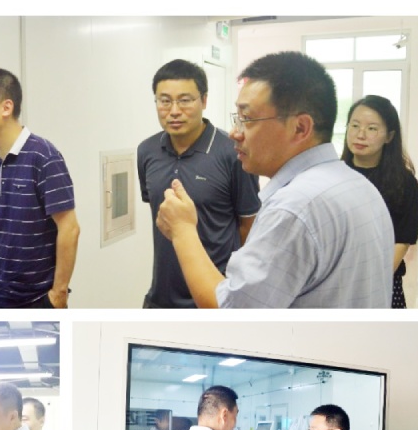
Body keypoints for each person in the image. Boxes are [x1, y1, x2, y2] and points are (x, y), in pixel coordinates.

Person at [156, 51, 394, 308]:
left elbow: (232, 313)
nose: (235, 133)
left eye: (247, 119)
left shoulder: (294, 208)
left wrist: (182, 230)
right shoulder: (357, 184)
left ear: (300, 128)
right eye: (237, 119)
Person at [138, 59, 260, 308]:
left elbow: (248, 226)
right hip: (160, 299)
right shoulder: (147, 151)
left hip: (215, 297)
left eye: (185, 100)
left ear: (204, 100)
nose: (174, 110)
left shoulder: (233, 153)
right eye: (164, 101)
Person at [0, 67, 80, 308]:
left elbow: (69, 228)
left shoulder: (44, 156)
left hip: (35, 300)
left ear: (6, 107)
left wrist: (58, 294)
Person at [342, 95, 418, 309]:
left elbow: (402, 239)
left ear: (389, 136)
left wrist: (375, 280)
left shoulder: (404, 182)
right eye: (354, 125)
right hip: (336, 279)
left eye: (372, 129)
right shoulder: (333, 174)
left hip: (382, 280)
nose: (360, 134)